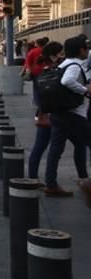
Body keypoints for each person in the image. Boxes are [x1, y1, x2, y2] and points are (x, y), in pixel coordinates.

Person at [28, 41, 75, 196]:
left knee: (39, 147)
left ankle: (33, 178)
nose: (63, 56)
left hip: (43, 113)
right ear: (53, 56)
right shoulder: (56, 72)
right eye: (61, 54)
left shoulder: (40, 71)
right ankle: (51, 184)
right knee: (56, 150)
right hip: (55, 115)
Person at [46, 36, 91, 198]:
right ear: (81, 50)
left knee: (60, 149)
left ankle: (53, 184)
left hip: (59, 112)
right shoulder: (75, 65)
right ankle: (84, 180)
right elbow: (67, 81)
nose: (87, 50)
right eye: (86, 48)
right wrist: (85, 90)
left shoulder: (63, 63)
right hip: (73, 113)